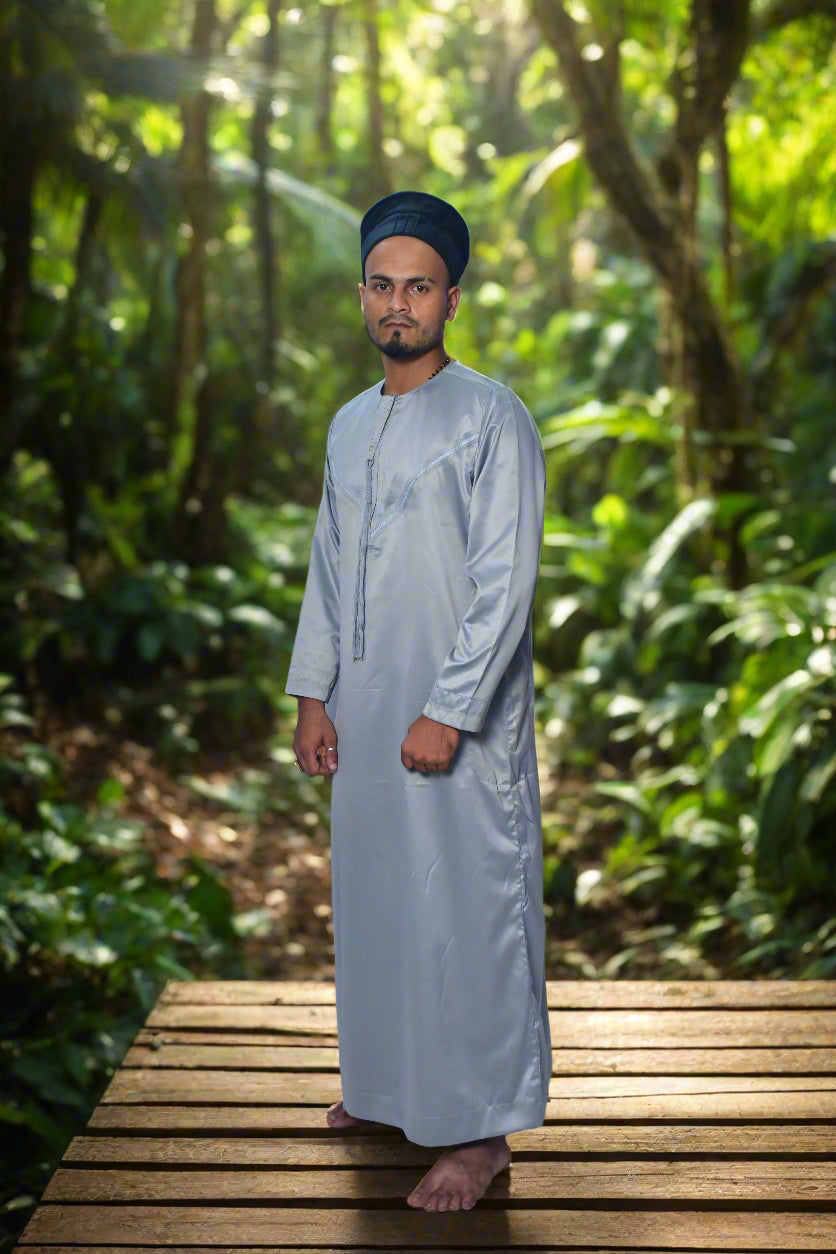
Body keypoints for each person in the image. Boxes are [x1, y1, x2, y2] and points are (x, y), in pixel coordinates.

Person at [285, 190, 550, 1213]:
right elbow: (325, 565)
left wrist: (449, 707)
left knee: (464, 907)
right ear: (362, 295)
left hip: (454, 720)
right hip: (362, 701)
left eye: (419, 286)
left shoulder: (492, 416)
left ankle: (478, 1131)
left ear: (450, 298)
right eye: (381, 284)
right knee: (378, 892)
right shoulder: (350, 423)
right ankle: (388, 1084)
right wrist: (314, 692)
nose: (398, 303)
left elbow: (505, 578)